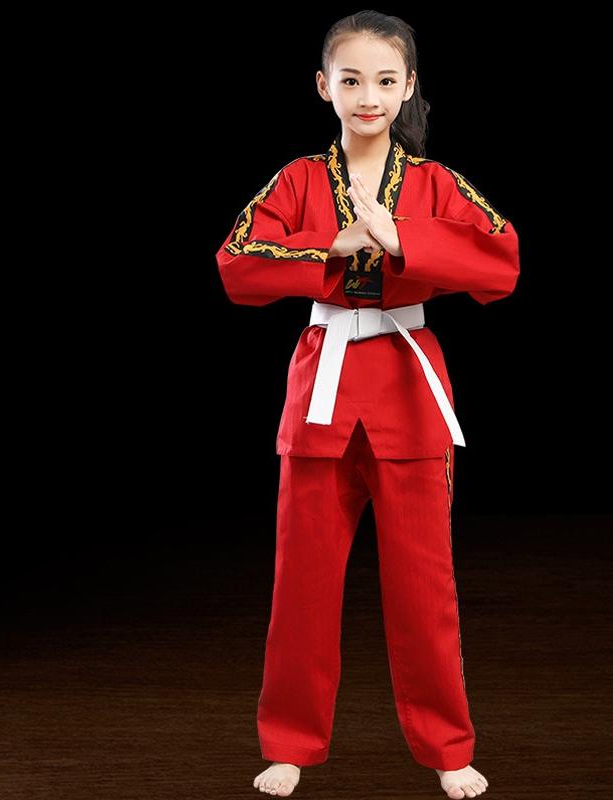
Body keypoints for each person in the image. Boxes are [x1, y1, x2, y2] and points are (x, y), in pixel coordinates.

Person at [215, 11, 520, 799]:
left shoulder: (435, 183)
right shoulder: (296, 179)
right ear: (323, 86)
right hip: (321, 387)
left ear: (409, 86)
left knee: (425, 587)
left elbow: (502, 259)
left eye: (386, 80)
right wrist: (330, 246)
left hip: (409, 389)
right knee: (302, 584)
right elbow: (237, 262)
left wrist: (402, 237)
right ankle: (290, 743)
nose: (369, 97)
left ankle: (447, 747)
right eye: (350, 80)